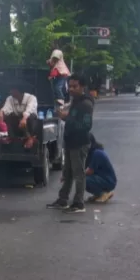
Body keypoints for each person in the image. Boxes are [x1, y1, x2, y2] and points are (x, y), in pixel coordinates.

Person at [48, 74, 94, 213]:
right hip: (70, 142)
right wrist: (65, 116)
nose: (71, 89)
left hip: (79, 143)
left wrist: (67, 119)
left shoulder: (86, 103)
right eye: (70, 86)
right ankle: (63, 200)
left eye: (75, 86)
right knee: (67, 173)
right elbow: (73, 117)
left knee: (78, 174)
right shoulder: (75, 101)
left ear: (83, 87)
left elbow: (86, 125)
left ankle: (79, 203)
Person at [1, 81, 39, 149]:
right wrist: (1, 113)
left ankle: (30, 138)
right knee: (9, 116)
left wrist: (24, 119)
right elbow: (6, 109)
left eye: (12, 90)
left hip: (30, 125)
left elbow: (29, 110)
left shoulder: (31, 98)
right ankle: (13, 139)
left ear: (18, 91)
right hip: (18, 124)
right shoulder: (10, 99)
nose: (10, 91)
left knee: (30, 117)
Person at [84, 134, 116, 204]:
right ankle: (98, 194)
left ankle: (103, 194)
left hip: (108, 180)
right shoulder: (91, 153)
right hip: (102, 178)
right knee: (82, 178)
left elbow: (90, 171)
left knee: (83, 180)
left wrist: (77, 174)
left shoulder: (97, 153)